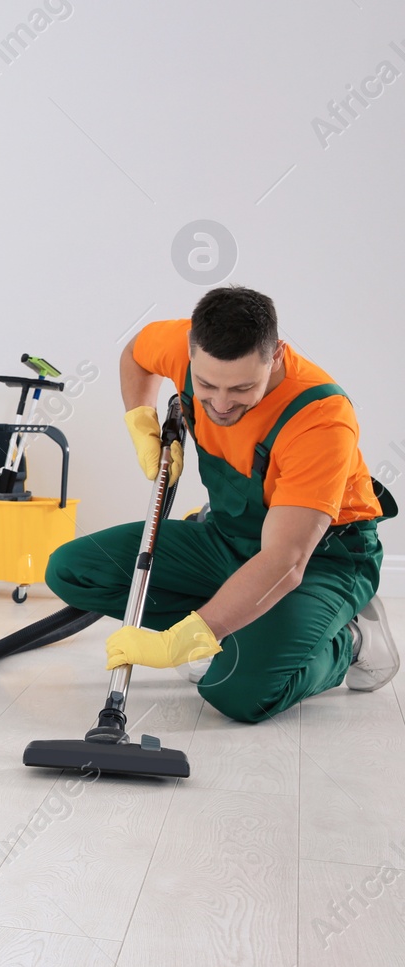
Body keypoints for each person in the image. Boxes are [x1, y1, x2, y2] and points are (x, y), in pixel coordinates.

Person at [45, 286, 397, 723]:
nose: (222, 402)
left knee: (238, 692)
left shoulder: (320, 417)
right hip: (228, 537)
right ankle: (235, 619)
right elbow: (136, 352)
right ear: (192, 351)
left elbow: (286, 561)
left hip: (322, 557)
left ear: (277, 355)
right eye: (207, 384)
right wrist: (141, 422)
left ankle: (351, 639)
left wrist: (183, 641)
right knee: (73, 569)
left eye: (243, 387)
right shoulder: (185, 346)